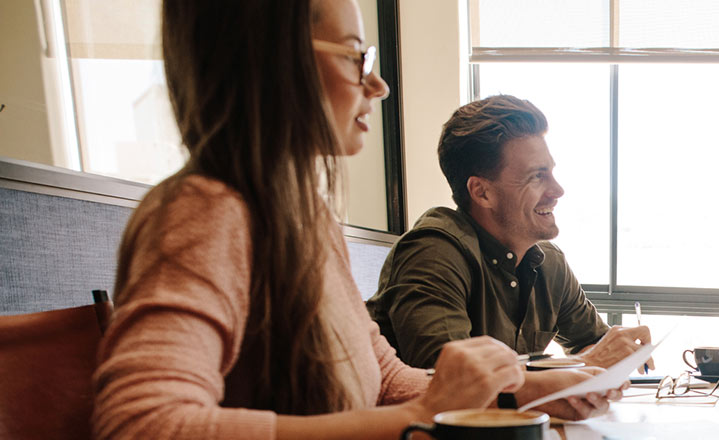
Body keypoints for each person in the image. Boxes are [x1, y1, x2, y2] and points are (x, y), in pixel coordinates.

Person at [92, 1, 621, 438]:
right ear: (274, 63)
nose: (380, 86)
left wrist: (527, 390)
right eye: (356, 57)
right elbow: (142, 424)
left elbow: (385, 378)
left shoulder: (307, 222)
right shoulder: (206, 210)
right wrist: (421, 416)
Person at [367, 95, 651, 370]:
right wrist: (586, 364)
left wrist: (613, 352)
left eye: (551, 172)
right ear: (482, 192)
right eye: (536, 176)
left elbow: (593, 345)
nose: (557, 191)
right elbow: (453, 380)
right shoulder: (432, 252)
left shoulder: (548, 261)